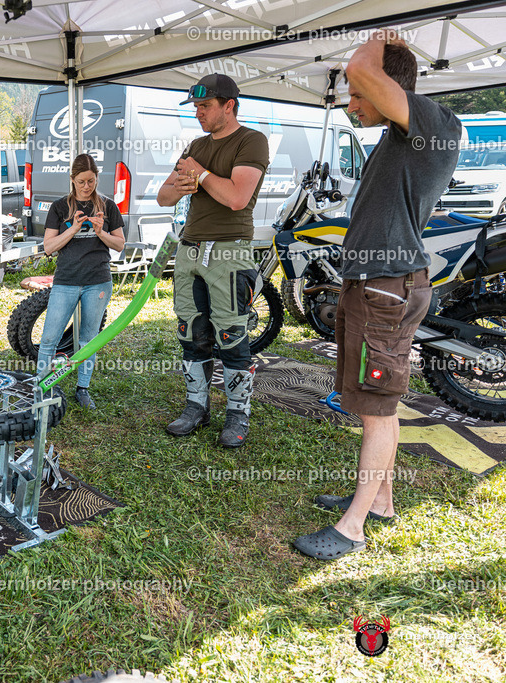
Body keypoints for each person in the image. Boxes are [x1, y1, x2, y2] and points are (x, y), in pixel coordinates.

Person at [292, 31, 462, 560]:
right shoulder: (398, 135)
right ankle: (381, 500)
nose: (350, 103)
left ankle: (352, 527)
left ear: (387, 86)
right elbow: (365, 79)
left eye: (357, 94)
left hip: (386, 289)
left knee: (380, 411)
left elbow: (364, 71)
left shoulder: (434, 124)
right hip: (370, 285)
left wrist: (374, 41)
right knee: (367, 402)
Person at [156, 73, 269, 447]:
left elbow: (237, 197)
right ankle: (196, 407)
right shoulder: (195, 145)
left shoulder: (252, 141)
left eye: (205, 106)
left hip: (229, 250)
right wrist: (182, 184)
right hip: (190, 250)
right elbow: (163, 197)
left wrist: (200, 175)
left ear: (229, 105)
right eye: (196, 107)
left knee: (232, 336)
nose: (199, 113)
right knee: (191, 332)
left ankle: (237, 415)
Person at [37, 153, 126, 409]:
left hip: (97, 280)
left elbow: (119, 245)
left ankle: (83, 388)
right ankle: (42, 386)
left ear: (97, 177)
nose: (87, 186)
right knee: (49, 338)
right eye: (81, 182)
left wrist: (101, 232)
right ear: (72, 180)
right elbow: (49, 247)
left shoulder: (108, 206)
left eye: (91, 180)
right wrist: (73, 228)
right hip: (66, 280)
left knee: (88, 339)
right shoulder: (59, 207)